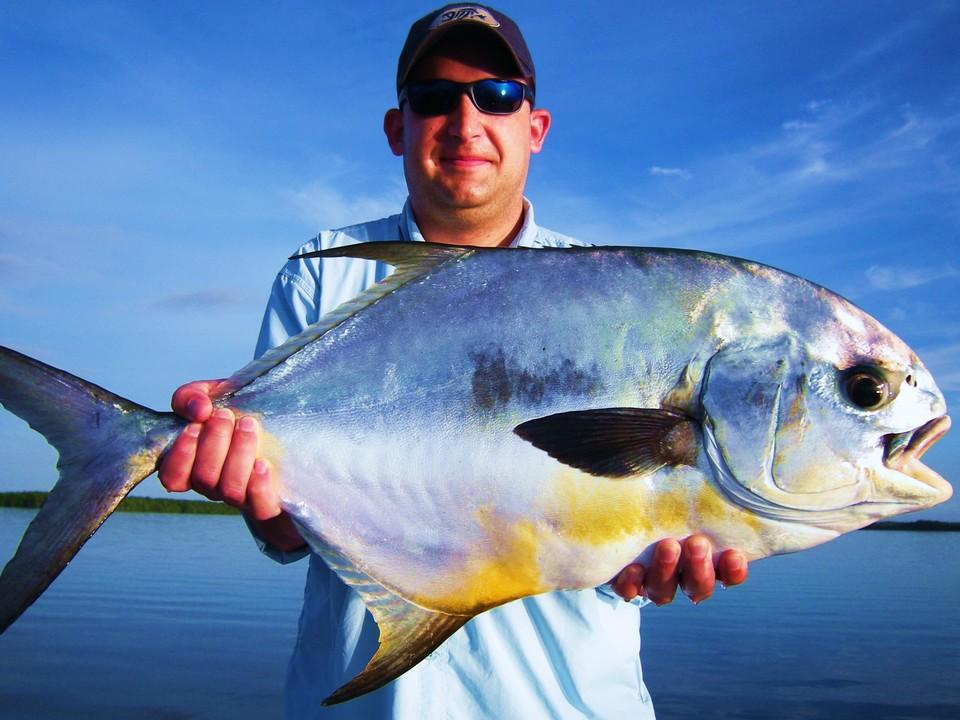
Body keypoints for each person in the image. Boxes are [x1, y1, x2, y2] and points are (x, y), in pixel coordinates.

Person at [158, 5, 748, 718]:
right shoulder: (324, 272)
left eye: (497, 95)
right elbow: (285, 529)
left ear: (536, 128)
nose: (466, 122)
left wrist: (666, 555)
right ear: (396, 127)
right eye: (435, 97)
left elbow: (643, 515)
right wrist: (248, 486)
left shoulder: (619, 295)